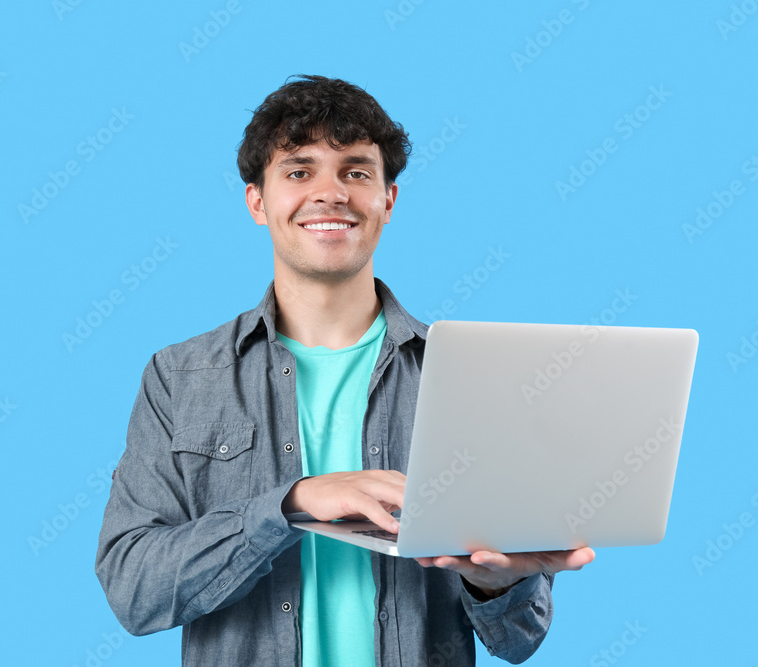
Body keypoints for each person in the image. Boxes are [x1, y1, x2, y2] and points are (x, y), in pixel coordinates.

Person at [95, 74, 594, 666]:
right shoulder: (179, 377)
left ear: (388, 200)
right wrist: (290, 504)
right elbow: (133, 589)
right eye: (299, 172)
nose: (330, 193)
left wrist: (497, 581)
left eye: (356, 172)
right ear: (257, 201)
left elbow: (519, 638)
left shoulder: (467, 377)